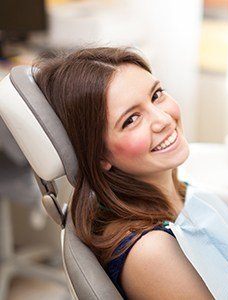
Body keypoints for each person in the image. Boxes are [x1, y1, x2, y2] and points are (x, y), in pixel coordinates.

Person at [32, 46, 214, 299]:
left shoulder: (178, 193)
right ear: (99, 155)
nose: (162, 119)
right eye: (131, 119)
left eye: (156, 95)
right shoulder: (151, 251)